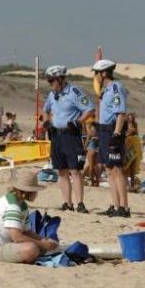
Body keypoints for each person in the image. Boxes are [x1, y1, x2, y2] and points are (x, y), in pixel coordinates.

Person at [43, 65, 95, 213]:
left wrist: (78, 122)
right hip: (57, 135)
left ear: (60, 79)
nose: (50, 83)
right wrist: (47, 123)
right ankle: (68, 203)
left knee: (75, 170)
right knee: (61, 171)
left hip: (71, 135)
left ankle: (80, 203)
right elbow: (46, 110)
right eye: (49, 81)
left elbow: (90, 108)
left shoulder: (74, 92)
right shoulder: (52, 95)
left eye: (52, 80)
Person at [0, 171, 58, 263]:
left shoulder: (21, 204)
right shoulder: (13, 206)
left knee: (39, 247)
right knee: (32, 249)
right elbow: (17, 237)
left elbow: (26, 232)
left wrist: (43, 240)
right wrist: (42, 244)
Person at [93, 60, 130, 217]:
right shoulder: (105, 90)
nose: (95, 77)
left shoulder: (115, 87)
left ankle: (124, 207)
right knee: (109, 169)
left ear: (104, 73)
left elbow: (120, 112)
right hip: (103, 131)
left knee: (117, 169)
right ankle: (115, 206)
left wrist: (116, 133)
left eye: (96, 73)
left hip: (112, 131)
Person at [83, 122, 100, 187]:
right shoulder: (99, 131)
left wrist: (84, 148)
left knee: (91, 167)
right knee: (96, 166)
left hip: (91, 148)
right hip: (97, 149)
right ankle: (97, 181)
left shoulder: (91, 130)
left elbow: (87, 140)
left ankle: (92, 181)